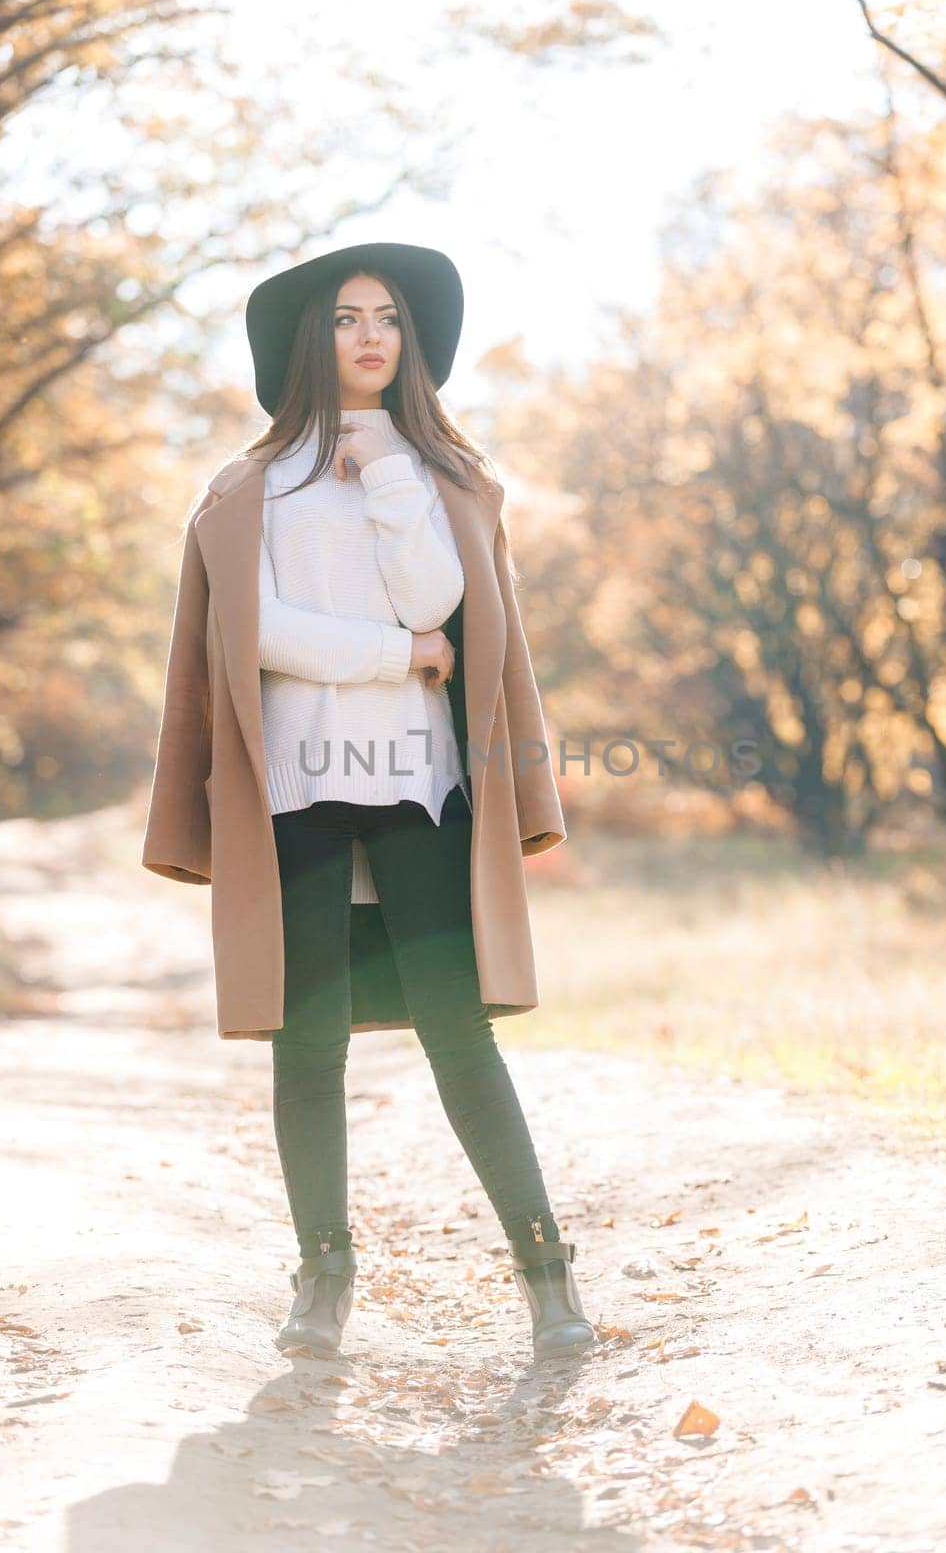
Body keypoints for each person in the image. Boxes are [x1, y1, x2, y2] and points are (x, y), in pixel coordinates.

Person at [149, 241, 595, 1363]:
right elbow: (255, 633)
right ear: (315, 336)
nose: (368, 335)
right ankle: (323, 1278)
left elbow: (439, 594)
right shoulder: (251, 488)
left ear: (406, 341)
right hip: (294, 790)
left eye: (387, 318)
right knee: (306, 1046)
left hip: (416, 787)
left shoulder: (437, 471)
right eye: (348, 317)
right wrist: (395, 655)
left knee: (460, 1032)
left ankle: (546, 1275)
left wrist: (389, 466)